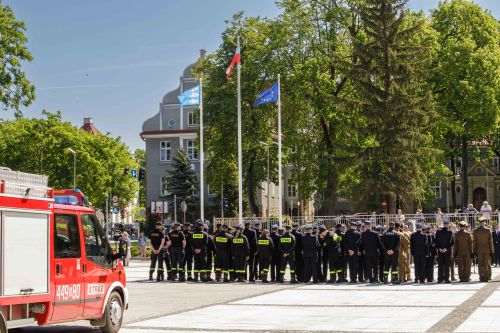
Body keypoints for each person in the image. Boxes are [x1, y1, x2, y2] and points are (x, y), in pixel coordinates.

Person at [473, 217, 494, 282]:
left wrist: (474, 250)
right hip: (487, 250)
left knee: (480, 264)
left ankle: (481, 277)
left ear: (479, 223)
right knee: (486, 263)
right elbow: (490, 241)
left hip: (479, 250)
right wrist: (492, 250)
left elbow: (475, 242)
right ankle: (487, 276)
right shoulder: (488, 230)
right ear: (484, 222)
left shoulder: (476, 231)